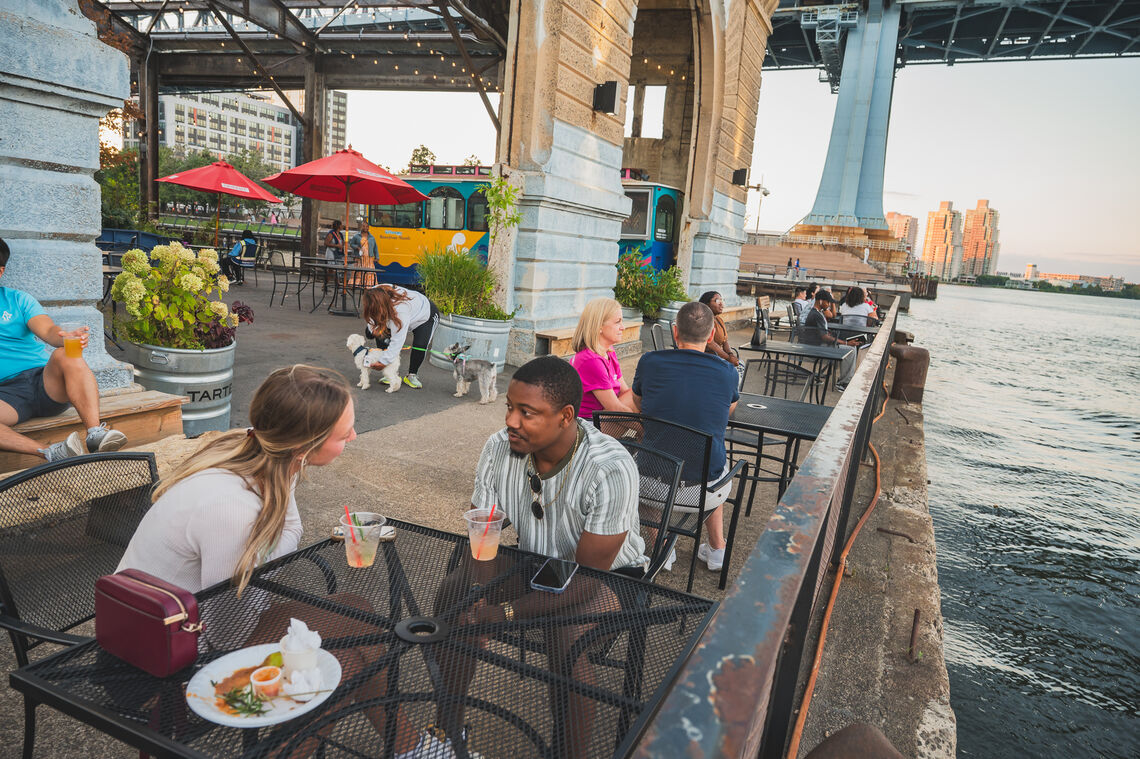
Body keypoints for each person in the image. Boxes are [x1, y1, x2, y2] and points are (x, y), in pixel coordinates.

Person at [116, 365, 425, 758]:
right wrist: (304, 646)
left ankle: (409, 746)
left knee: (359, 613)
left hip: (180, 627)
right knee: (339, 662)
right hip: (160, 662)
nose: (354, 436)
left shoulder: (260, 453)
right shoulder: (233, 509)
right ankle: (407, 746)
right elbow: (229, 632)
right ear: (304, 445)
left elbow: (277, 550)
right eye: (343, 432)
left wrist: (294, 472)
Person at [436, 356, 645, 758]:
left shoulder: (609, 466)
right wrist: (480, 595)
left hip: (609, 577)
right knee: (455, 592)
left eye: (526, 412)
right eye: (509, 408)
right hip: (535, 562)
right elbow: (485, 532)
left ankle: (570, 753)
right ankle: (447, 732)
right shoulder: (500, 447)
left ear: (566, 416)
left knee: (566, 634)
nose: (511, 420)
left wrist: (506, 612)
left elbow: (585, 579)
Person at [632, 301, 739, 572]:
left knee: (646, 461)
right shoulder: (728, 372)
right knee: (715, 458)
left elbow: (637, 403)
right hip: (704, 492)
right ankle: (717, 549)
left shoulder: (650, 362)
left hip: (651, 486)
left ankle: (662, 548)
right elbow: (729, 410)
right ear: (712, 334)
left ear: (675, 332)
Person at [0, 238, 127, 461]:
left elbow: (48, 330)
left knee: (67, 353)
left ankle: (95, 434)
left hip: (45, 381)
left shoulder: (18, 300)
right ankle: (51, 452)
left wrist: (65, 337)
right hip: (6, 396)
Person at [567, 297, 637, 419]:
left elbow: (625, 392)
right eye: (617, 322)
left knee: (642, 394)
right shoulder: (591, 360)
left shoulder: (609, 351)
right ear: (599, 326)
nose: (623, 327)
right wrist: (645, 427)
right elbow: (615, 408)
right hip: (590, 425)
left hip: (604, 417)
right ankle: (649, 436)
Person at [361, 284, 439, 389]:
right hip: (393, 312)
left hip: (425, 316)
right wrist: (373, 330)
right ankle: (392, 372)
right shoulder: (373, 294)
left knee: (420, 344)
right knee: (380, 334)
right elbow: (371, 317)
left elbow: (397, 341)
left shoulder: (401, 311)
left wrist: (383, 362)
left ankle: (412, 375)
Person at [799, 290, 858, 390]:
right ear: (821, 301)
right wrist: (845, 342)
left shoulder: (816, 313)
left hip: (815, 344)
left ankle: (845, 380)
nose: (829, 304)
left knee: (850, 348)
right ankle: (843, 383)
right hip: (816, 347)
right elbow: (825, 337)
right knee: (851, 350)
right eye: (828, 302)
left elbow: (823, 332)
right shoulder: (817, 315)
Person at [698, 291, 740, 368]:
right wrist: (727, 358)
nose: (721, 304)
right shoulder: (704, 320)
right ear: (707, 304)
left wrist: (730, 355)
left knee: (740, 365)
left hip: (719, 357)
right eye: (717, 301)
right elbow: (710, 343)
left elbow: (725, 341)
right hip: (707, 359)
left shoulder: (719, 319)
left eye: (721, 301)